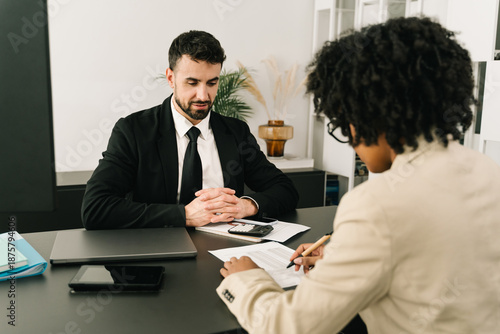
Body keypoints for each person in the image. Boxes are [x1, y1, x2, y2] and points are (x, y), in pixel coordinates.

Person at [217, 17, 500, 333]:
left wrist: (246, 280)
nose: (350, 138)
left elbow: (286, 327)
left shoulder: (376, 204)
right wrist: (346, 256)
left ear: (369, 113)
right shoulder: (488, 170)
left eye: (344, 121)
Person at [81, 30, 298, 229]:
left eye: (212, 83)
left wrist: (247, 206)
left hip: (225, 256)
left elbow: (285, 190)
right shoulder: (133, 131)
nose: (203, 96)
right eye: (192, 83)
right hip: (157, 259)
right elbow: (95, 208)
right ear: (170, 78)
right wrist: (184, 215)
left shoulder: (236, 132)